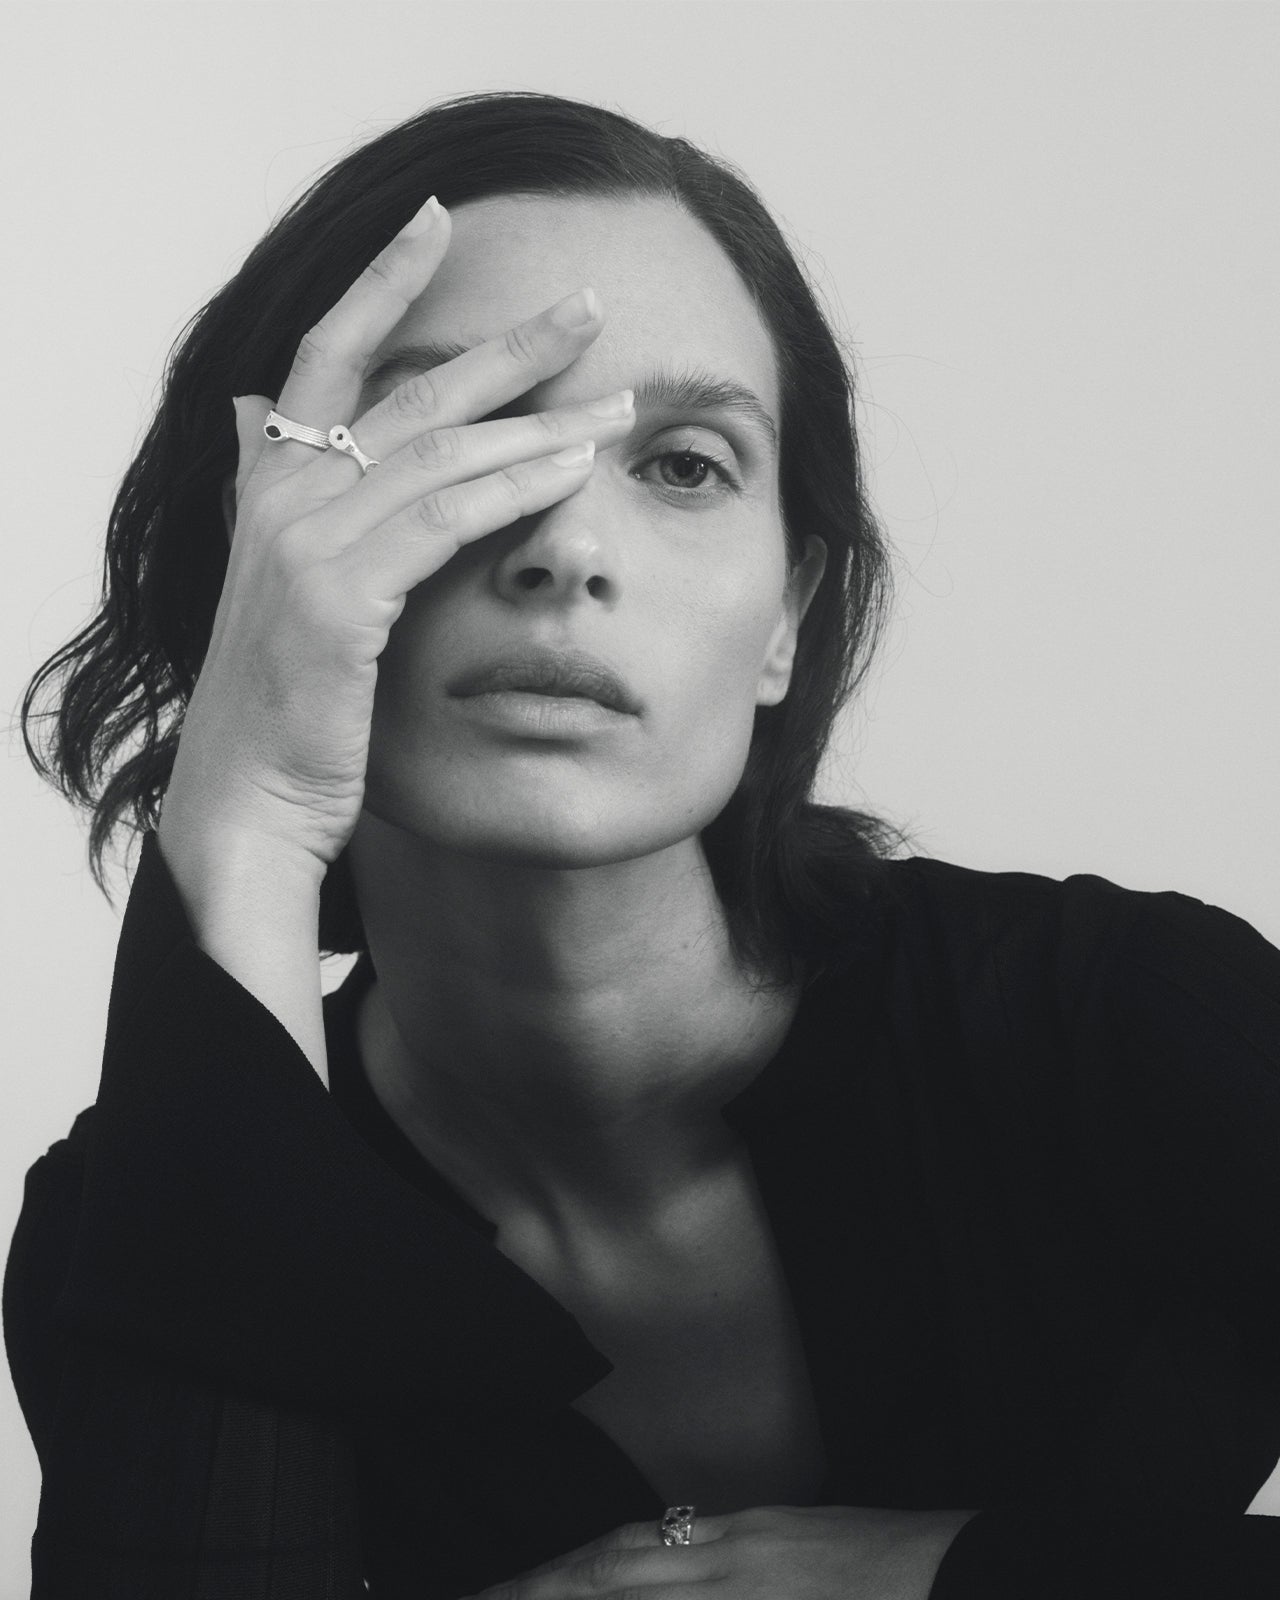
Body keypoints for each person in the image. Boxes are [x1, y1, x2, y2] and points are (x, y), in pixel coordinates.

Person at [6, 91, 1279, 1600]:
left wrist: (962, 1575)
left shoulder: (1132, 1027)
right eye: (454, 435)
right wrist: (249, 816)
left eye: (684, 465)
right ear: (262, 562)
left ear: (787, 618)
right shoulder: (127, 1218)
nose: (567, 546)